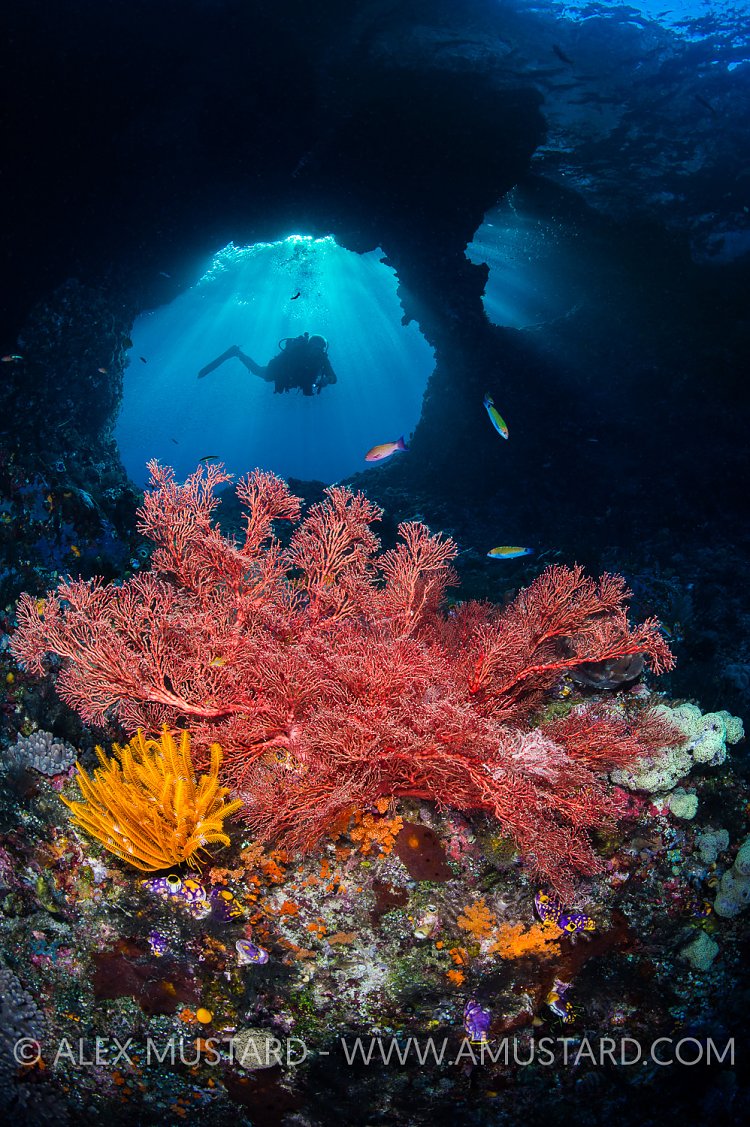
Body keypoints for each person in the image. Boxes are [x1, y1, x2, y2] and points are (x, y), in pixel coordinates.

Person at [198, 333, 337, 396]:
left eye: (319, 348)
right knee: (260, 372)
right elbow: (283, 360)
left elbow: (333, 378)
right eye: (314, 347)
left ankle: (237, 352)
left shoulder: (322, 359)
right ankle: (236, 352)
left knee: (317, 371)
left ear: (323, 349)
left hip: (296, 379)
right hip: (281, 372)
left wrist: (327, 379)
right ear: (309, 345)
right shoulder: (299, 350)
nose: (316, 351)